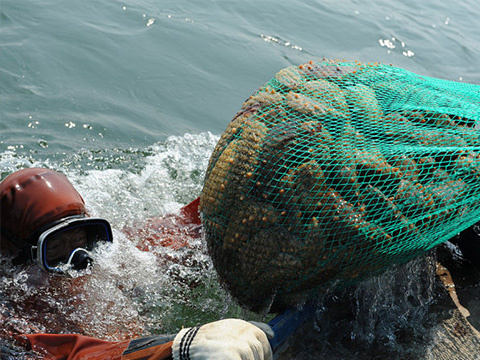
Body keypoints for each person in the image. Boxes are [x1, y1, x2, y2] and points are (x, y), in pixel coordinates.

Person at [0, 168, 273, 360]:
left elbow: (195, 225)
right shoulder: (11, 319)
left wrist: (258, 189)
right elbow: (71, 353)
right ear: (18, 261)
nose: (81, 261)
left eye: (84, 239)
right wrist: (179, 347)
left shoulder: (127, 257)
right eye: (56, 249)